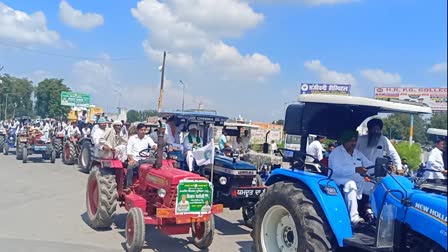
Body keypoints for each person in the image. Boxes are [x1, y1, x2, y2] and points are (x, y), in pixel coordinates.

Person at [329, 130, 374, 226]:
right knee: (350, 184)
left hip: (357, 180)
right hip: (336, 180)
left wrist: (380, 166)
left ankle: (371, 213)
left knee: (373, 183)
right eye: (350, 141)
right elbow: (337, 170)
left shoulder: (357, 153)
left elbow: (369, 164)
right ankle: (354, 218)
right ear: (344, 141)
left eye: (355, 140)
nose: (353, 143)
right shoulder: (336, 153)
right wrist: (355, 169)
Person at [126, 123, 157, 188]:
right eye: (141, 130)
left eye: (144, 130)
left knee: (157, 164)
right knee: (130, 167)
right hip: (135, 159)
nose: (143, 132)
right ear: (137, 130)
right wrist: (131, 160)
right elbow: (128, 151)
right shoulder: (132, 138)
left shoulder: (148, 138)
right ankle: (129, 185)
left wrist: (154, 146)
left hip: (145, 159)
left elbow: (153, 144)